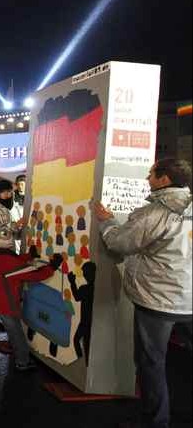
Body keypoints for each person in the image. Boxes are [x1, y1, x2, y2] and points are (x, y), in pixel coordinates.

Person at [92, 158, 192, 428]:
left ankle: (156, 420)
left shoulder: (154, 213)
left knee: (152, 362)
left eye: (151, 174)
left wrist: (107, 222)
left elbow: (120, 242)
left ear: (164, 179)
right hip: (190, 298)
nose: (147, 178)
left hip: (158, 301)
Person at [0, 235, 62, 372]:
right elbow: (35, 275)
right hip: (4, 304)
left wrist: (29, 256)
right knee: (15, 333)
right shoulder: (13, 263)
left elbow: (15, 263)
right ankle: (22, 362)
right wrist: (52, 267)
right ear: (9, 247)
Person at [0, 179, 24, 254]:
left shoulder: (17, 208)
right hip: (0, 250)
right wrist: (15, 225)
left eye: (9, 191)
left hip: (16, 248)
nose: (6, 194)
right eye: (3, 192)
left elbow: (18, 233)